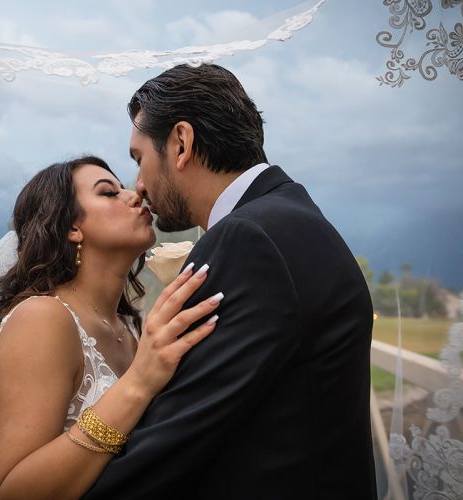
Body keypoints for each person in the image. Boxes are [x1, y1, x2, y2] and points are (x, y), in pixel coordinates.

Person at [82, 64, 377, 498]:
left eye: (139, 159)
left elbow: (175, 441)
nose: (139, 186)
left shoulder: (248, 239)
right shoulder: (287, 215)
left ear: (181, 143)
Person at [0, 155, 222, 499]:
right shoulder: (42, 318)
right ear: (72, 227)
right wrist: (138, 383)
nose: (135, 194)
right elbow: (5, 494)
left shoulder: (129, 330)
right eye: (109, 192)